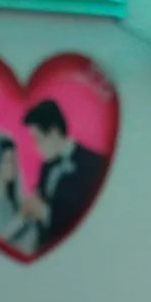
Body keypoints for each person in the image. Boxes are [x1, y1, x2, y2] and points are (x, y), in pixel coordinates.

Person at [18, 99, 107, 252]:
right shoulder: (47, 163)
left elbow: (93, 219)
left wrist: (44, 212)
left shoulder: (94, 164)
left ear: (54, 133)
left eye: (37, 140)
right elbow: (41, 193)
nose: (35, 147)